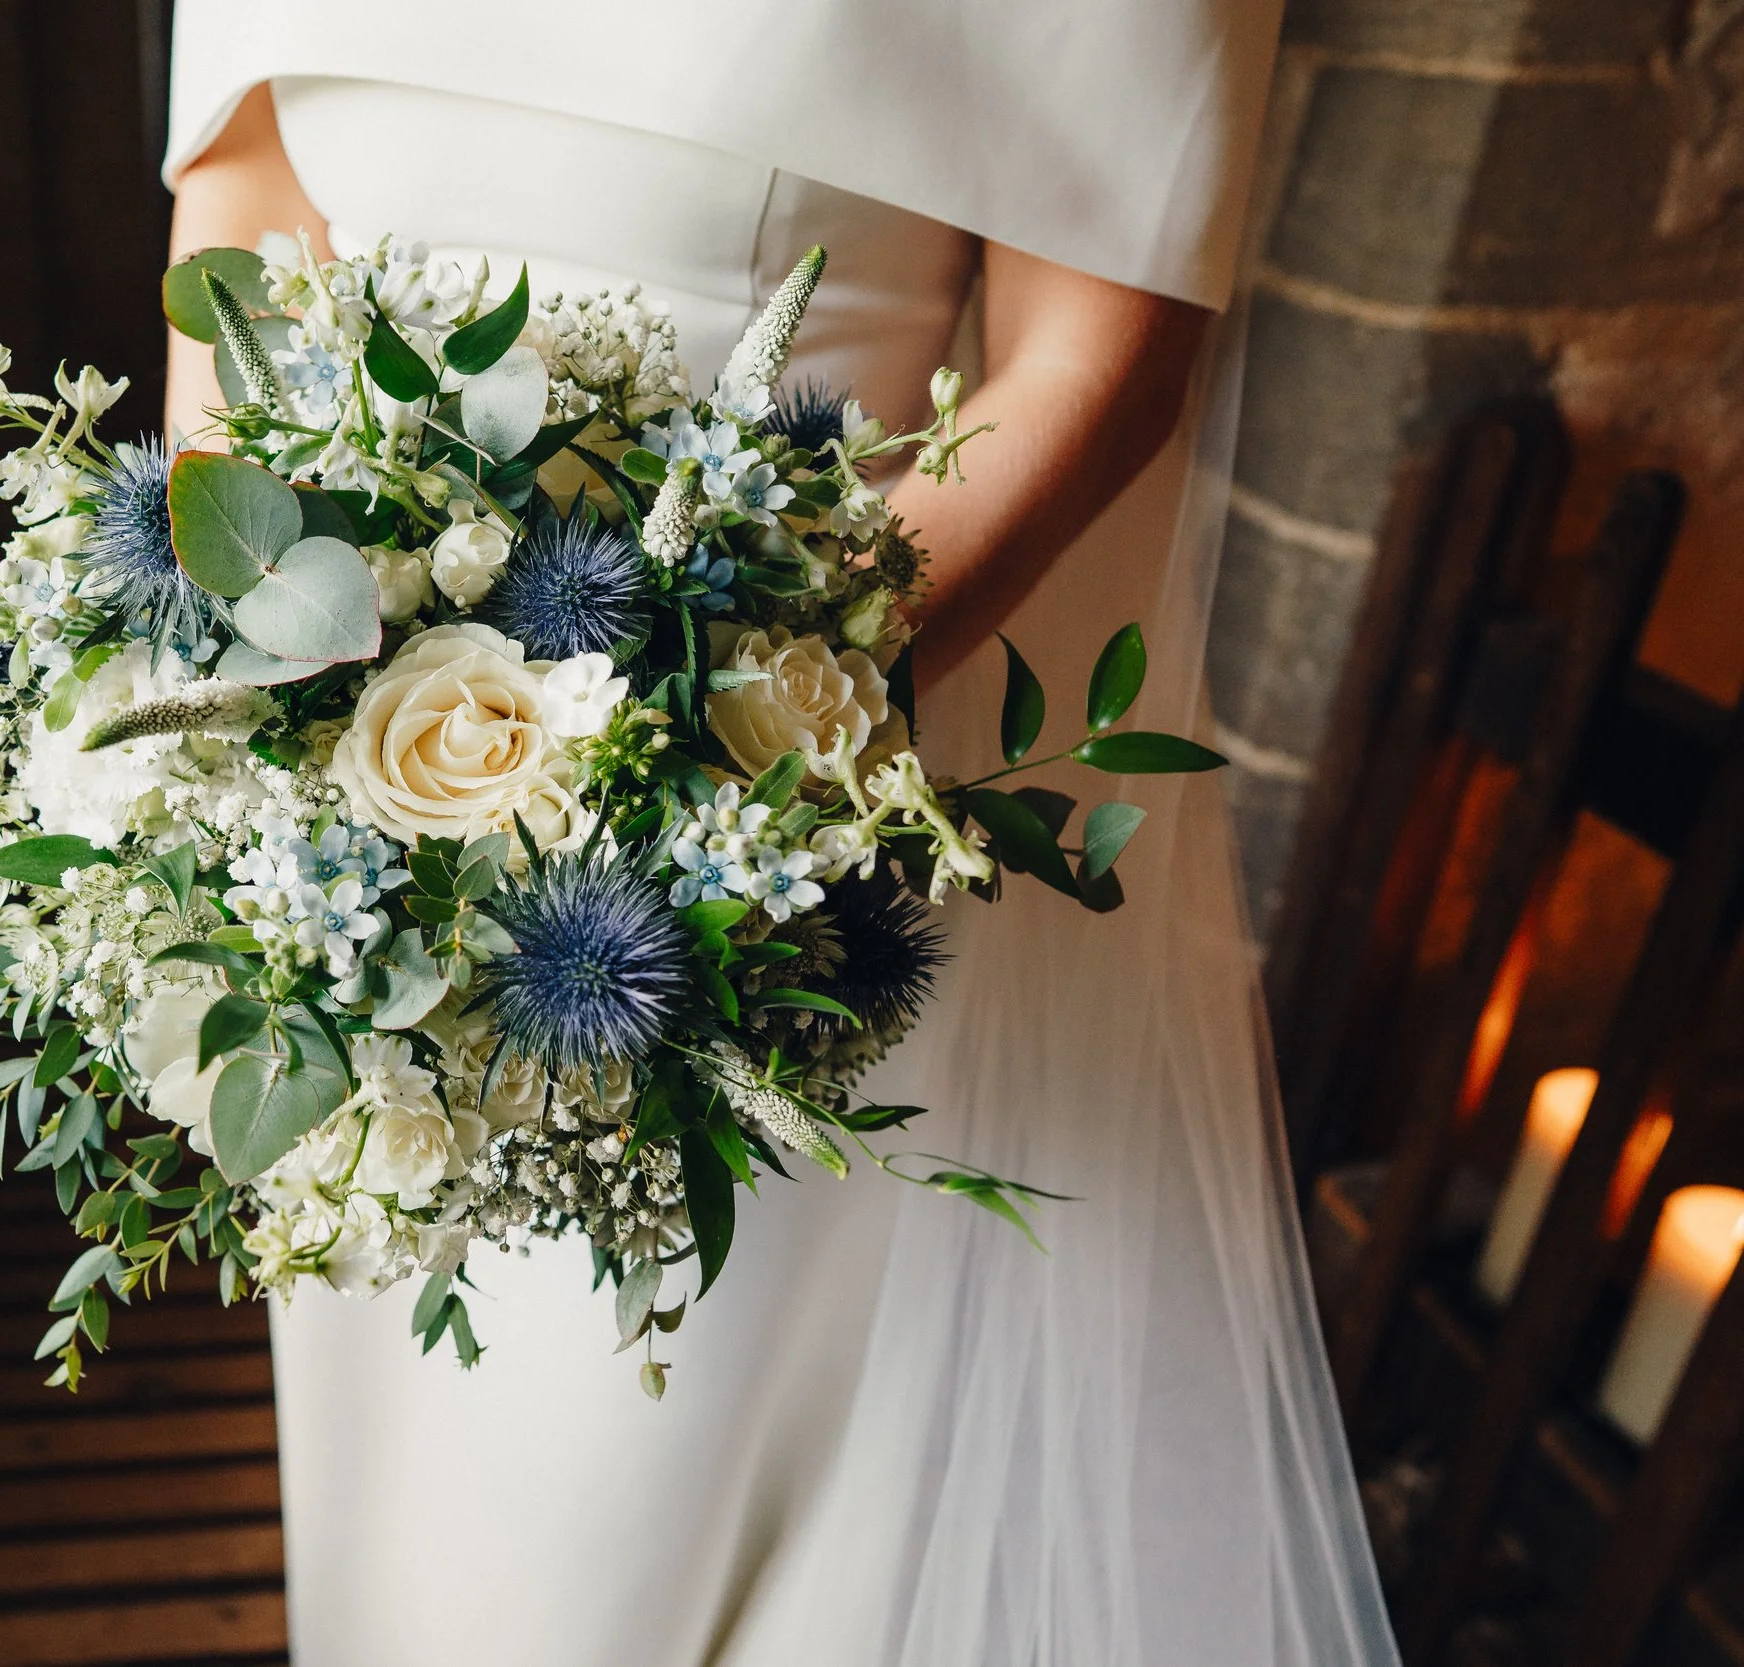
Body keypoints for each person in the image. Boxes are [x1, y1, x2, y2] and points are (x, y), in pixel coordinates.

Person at [160, 6, 1400, 1662]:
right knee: (411, 1523)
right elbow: (243, 207)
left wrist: (697, 742)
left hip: (740, 864)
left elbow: (1094, 358)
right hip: (355, 831)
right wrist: (275, 678)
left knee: (624, 1533)